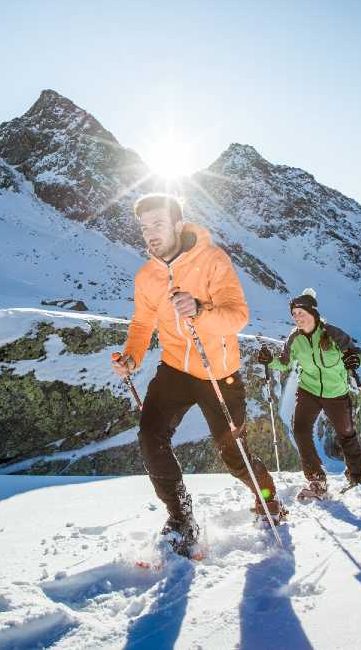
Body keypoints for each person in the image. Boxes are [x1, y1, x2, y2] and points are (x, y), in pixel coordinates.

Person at [112, 193, 284, 555]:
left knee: (233, 454)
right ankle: (180, 517)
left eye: (158, 225)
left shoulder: (212, 260)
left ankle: (267, 498)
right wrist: (131, 357)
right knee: (150, 435)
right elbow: (143, 323)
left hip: (219, 372)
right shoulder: (147, 277)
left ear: (177, 224)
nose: (150, 234)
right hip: (175, 368)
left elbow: (238, 316)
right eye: (145, 228)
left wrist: (201, 308)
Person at [257, 288, 361, 500]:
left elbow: (356, 353)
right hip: (309, 390)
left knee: (346, 434)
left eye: (300, 312)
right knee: (300, 430)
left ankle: (356, 477)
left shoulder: (332, 333)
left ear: (313, 313)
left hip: (336, 392)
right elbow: (284, 363)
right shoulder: (294, 339)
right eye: (294, 314)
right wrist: (269, 360)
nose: (297, 317)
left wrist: (355, 360)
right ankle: (316, 479)